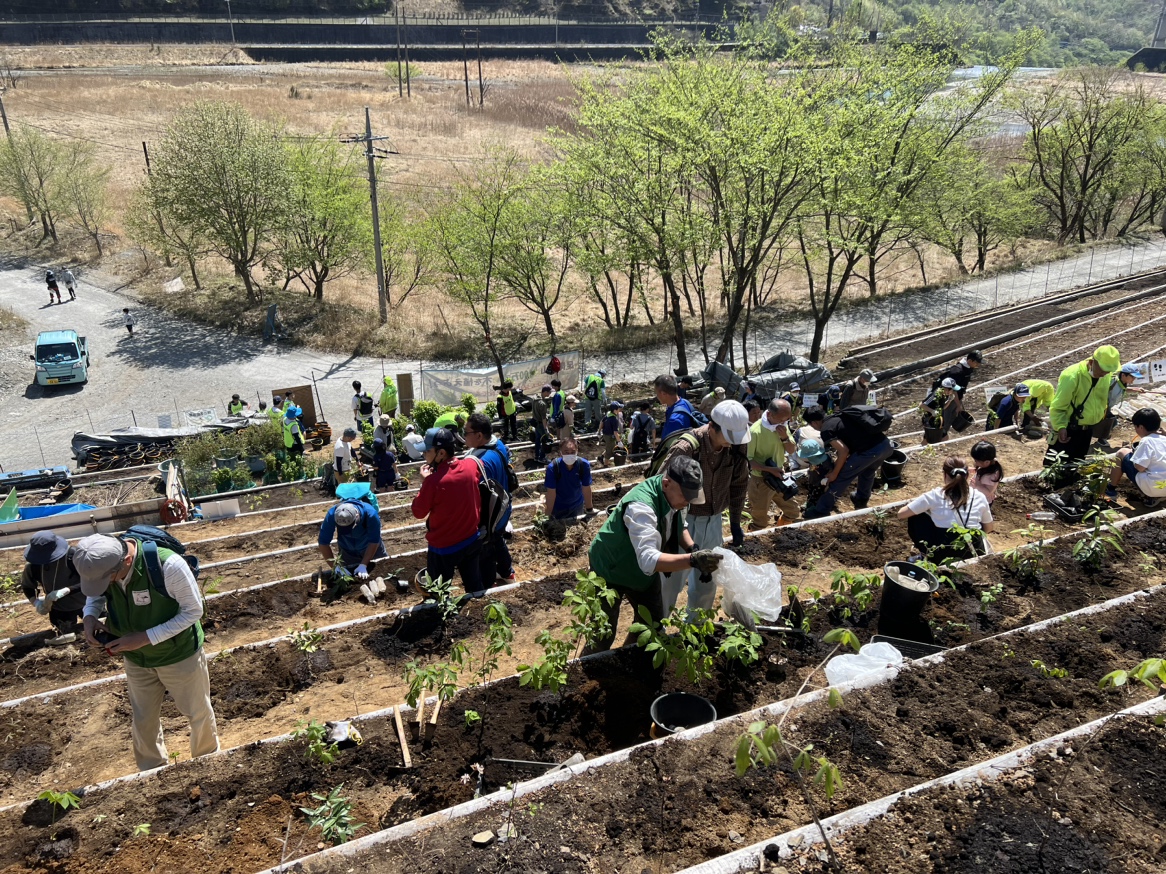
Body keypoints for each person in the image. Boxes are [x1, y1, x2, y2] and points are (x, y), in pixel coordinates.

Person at [74, 533, 219, 772]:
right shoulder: (106, 565)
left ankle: (207, 763)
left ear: (127, 562)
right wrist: (89, 615)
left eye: (107, 579)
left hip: (178, 655)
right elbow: (95, 594)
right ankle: (152, 771)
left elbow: (193, 611)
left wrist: (145, 638)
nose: (106, 584)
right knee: (143, 719)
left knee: (197, 712)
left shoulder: (168, 566)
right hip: (136, 658)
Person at [587, 455, 720, 651]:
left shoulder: (677, 497)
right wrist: (692, 561)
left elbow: (679, 526)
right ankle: (592, 671)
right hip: (610, 568)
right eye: (685, 496)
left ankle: (629, 656)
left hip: (640, 574)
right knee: (603, 633)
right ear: (666, 483)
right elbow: (649, 559)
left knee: (652, 625)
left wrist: (694, 549)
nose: (687, 501)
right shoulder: (641, 507)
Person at [658, 400, 751, 615]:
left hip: (714, 520)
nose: (731, 442)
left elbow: (739, 484)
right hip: (682, 522)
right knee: (671, 582)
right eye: (727, 436)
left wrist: (735, 522)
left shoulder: (736, 446)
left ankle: (697, 628)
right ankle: (658, 630)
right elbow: (659, 485)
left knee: (707, 580)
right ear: (712, 426)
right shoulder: (687, 448)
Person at [411, 427, 484, 596]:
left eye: (428, 451)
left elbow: (418, 512)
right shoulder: (470, 466)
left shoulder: (433, 482)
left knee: (439, 593)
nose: (424, 455)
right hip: (471, 539)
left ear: (441, 453)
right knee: (475, 586)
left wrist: (425, 483)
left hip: (443, 547)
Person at [804, 406, 895, 518]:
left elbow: (844, 451)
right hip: (885, 446)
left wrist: (834, 473)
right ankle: (861, 499)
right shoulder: (839, 415)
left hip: (869, 452)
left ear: (814, 422)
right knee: (868, 472)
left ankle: (821, 510)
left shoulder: (826, 429)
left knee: (842, 477)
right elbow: (845, 447)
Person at [898, 457, 994, 562]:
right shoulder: (979, 496)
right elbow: (988, 528)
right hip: (973, 552)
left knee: (917, 516)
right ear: (967, 475)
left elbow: (901, 514)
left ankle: (926, 555)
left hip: (942, 555)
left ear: (945, 474)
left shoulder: (935, 495)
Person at [1047, 345, 1120, 465]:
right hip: (1069, 428)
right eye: (1102, 370)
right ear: (1092, 362)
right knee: (1057, 464)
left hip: (1087, 430)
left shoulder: (1105, 375)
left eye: (1107, 371)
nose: (1104, 374)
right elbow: (1058, 405)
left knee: (1077, 464)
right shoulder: (1072, 376)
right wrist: (1060, 426)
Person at [465, 413, 515, 584]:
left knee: (486, 548)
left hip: (490, 516)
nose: (463, 436)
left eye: (466, 432)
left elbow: (476, 494)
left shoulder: (481, 462)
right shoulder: (498, 445)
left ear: (479, 436)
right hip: (503, 507)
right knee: (497, 539)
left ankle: (487, 582)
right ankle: (507, 572)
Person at [746, 399, 801, 528]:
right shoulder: (755, 432)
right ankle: (754, 542)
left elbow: (791, 450)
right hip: (761, 480)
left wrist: (785, 438)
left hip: (779, 476)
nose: (783, 423)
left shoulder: (782, 426)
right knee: (760, 521)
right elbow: (748, 461)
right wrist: (769, 469)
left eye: (785, 420)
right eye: (780, 419)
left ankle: (781, 530)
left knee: (793, 511)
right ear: (770, 414)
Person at [21, 531, 88, 634]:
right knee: (65, 635)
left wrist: (67, 590)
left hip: (87, 602)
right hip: (60, 608)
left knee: (101, 630)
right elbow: (27, 586)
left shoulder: (73, 556)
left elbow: (90, 580)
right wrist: (36, 602)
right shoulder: (32, 566)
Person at [1108, 407, 1166, 507]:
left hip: (1152, 487)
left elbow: (1140, 467)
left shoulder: (1146, 441)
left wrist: (1135, 456)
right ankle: (1158, 496)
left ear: (1141, 427)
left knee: (1122, 453)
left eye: (1135, 427)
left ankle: (1110, 489)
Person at [318, 497, 387, 580]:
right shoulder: (332, 514)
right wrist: (335, 567)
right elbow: (323, 542)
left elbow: (374, 541)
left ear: (357, 516)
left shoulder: (370, 514)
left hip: (371, 549)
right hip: (347, 549)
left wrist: (363, 564)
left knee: (382, 572)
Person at [1095, 362, 1145, 449]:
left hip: (1107, 407)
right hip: (1101, 406)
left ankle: (1102, 435)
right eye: (1132, 377)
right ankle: (1101, 438)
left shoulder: (1121, 383)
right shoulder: (1112, 382)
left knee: (1113, 422)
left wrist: (1136, 390)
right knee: (1109, 422)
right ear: (1123, 375)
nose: (1133, 380)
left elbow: (1123, 388)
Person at [544, 437, 594, 519]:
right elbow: (551, 493)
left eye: (572, 452)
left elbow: (586, 488)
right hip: (558, 507)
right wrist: (548, 515)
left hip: (577, 506)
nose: (569, 455)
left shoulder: (583, 465)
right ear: (561, 452)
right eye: (566, 452)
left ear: (577, 451)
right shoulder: (553, 468)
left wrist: (589, 509)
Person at [654, 374, 703, 439]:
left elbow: (671, 447)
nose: (657, 396)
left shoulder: (674, 421)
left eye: (657, 393)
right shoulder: (685, 402)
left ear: (663, 394)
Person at [920, 377, 962, 442]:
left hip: (937, 419)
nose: (953, 392)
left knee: (943, 438)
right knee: (930, 439)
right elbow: (921, 405)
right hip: (929, 419)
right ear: (946, 389)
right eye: (952, 390)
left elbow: (943, 408)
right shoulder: (935, 395)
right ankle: (923, 448)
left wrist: (949, 401)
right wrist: (932, 411)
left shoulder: (945, 395)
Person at [789, 406, 825, 471]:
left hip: (803, 462)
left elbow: (794, 446)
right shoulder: (827, 430)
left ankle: (794, 465)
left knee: (790, 448)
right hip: (821, 462)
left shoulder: (801, 430)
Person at [969, 440, 1004, 505]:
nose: (975, 462)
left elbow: (988, 492)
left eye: (976, 461)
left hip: (982, 501)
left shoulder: (990, 476)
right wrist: (975, 470)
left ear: (986, 462)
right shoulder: (991, 464)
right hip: (979, 498)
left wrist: (976, 486)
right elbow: (982, 469)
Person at [598, 402, 624, 466]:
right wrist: (619, 441)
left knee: (610, 447)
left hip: (605, 434)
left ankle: (601, 457)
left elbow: (601, 422)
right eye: (619, 409)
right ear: (615, 410)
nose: (620, 410)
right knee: (609, 451)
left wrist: (599, 431)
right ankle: (605, 465)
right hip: (610, 436)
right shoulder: (614, 420)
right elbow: (615, 432)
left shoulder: (608, 414)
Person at [531, 384, 551, 463]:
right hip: (540, 424)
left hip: (535, 422)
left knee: (537, 440)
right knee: (545, 440)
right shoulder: (542, 404)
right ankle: (542, 457)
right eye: (549, 392)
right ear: (545, 392)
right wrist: (546, 429)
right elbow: (543, 418)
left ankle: (536, 456)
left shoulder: (535, 399)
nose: (549, 394)